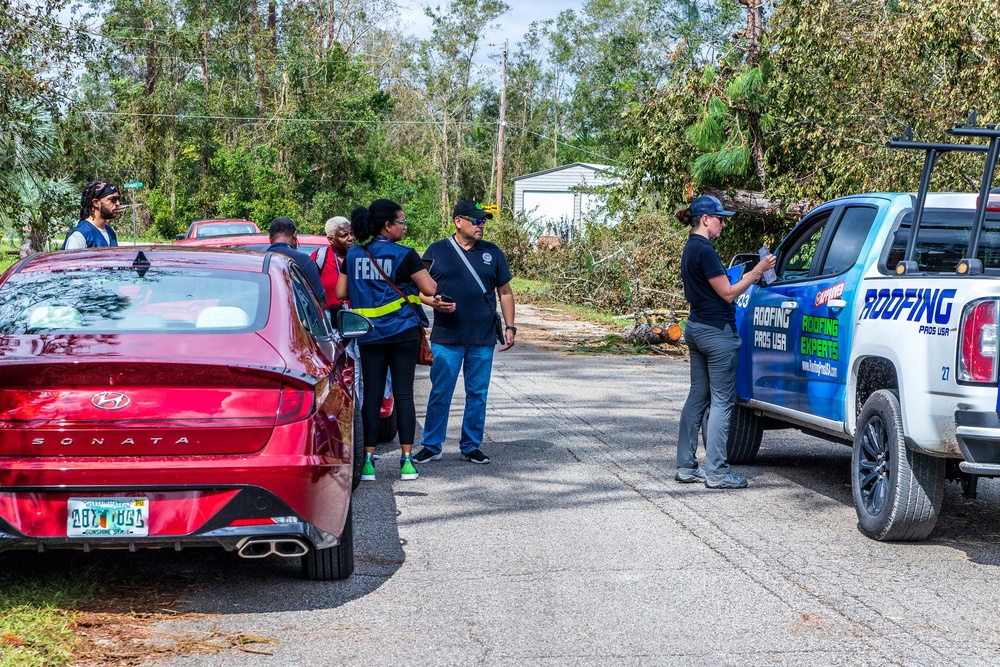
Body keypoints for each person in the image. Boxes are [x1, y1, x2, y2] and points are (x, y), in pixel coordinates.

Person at [675, 195, 776, 490]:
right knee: (721, 402)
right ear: (705, 219)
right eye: (720, 219)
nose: (723, 224)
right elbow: (729, 293)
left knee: (697, 397)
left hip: (696, 327)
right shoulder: (704, 250)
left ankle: (685, 465)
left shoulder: (690, 248)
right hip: (717, 333)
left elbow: (715, 287)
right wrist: (757, 271)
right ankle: (717, 471)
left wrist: (747, 275)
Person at [336, 199, 438, 481]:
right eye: (402, 222)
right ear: (388, 225)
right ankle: (406, 461)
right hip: (402, 333)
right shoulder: (406, 255)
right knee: (403, 394)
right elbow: (430, 287)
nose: (404, 227)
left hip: (368, 334)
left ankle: (368, 462)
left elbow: (342, 292)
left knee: (371, 395)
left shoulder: (354, 254)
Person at [412, 200, 516, 466]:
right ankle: (432, 446)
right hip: (447, 337)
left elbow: (505, 292)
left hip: (482, 337)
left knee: (478, 394)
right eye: (476, 220)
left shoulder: (493, 253)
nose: (481, 225)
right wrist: (432, 302)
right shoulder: (437, 250)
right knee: (440, 392)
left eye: (483, 221)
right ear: (459, 221)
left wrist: (510, 326)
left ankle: (471, 446)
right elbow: (421, 290)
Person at [266, 216, 327, 305]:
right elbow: (321, 303)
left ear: (270, 239)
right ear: (294, 235)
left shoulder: (259, 261)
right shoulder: (304, 260)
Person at [311, 216, 353, 314]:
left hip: (359, 319)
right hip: (330, 320)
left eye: (351, 233)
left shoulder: (361, 256)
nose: (350, 238)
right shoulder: (319, 258)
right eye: (344, 235)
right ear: (331, 239)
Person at [64, 180, 121, 249]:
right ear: (96, 203)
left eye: (118, 199)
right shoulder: (79, 236)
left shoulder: (110, 232)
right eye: (113, 200)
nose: (118, 203)